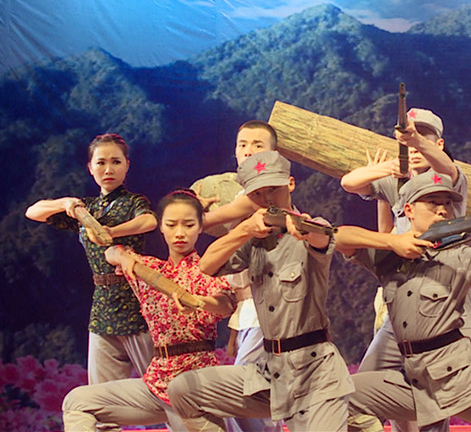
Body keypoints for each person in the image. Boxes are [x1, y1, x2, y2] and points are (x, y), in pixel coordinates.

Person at [334, 171, 471, 431]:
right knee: (338, 398)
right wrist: (392, 241)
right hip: (415, 381)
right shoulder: (388, 256)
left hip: (464, 380)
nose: (442, 209)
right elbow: (336, 236)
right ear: (408, 210)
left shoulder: (460, 256)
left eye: (447, 204)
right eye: (433, 202)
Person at [167, 150, 354, 432]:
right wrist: (244, 229)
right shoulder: (252, 240)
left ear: (290, 183)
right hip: (269, 371)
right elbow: (206, 265)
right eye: (258, 194)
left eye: (273, 189)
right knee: (183, 389)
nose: (267, 199)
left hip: (315, 372)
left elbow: (323, 235)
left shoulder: (312, 227)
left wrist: (298, 225)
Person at [341, 109, 471, 432]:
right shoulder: (398, 184)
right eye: (407, 140)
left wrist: (415, 141)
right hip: (404, 301)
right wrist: (385, 167)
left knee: (454, 391)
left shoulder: (448, 183)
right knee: (365, 386)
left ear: (438, 143)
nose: (415, 147)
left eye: (422, 138)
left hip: (445, 302)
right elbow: (349, 183)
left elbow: (448, 168)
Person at [61, 189, 235, 431]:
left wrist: (198, 301)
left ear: (199, 228)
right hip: (156, 383)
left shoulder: (207, 271)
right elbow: (110, 252)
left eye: (188, 225)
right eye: (171, 225)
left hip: (194, 388)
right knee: (78, 401)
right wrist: (123, 257)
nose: (180, 233)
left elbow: (225, 304)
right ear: (161, 227)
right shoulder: (149, 270)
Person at [25, 133, 156, 390]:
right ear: (90, 167)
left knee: (161, 386)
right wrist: (65, 203)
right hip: (102, 308)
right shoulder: (86, 208)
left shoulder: (134, 202)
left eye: (116, 162)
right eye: (101, 162)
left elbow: (149, 221)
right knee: (102, 394)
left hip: (137, 304)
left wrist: (111, 232)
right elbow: (33, 212)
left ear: (127, 165)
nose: (108, 169)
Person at [198, 120, 283, 432]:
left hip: (271, 306)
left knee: (239, 388)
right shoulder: (240, 192)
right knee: (257, 391)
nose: (248, 151)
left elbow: (204, 222)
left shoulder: (261, 194)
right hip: (250, 307)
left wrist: (195, 213)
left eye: (258, 145)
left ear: (274, 154)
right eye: (242, 144)